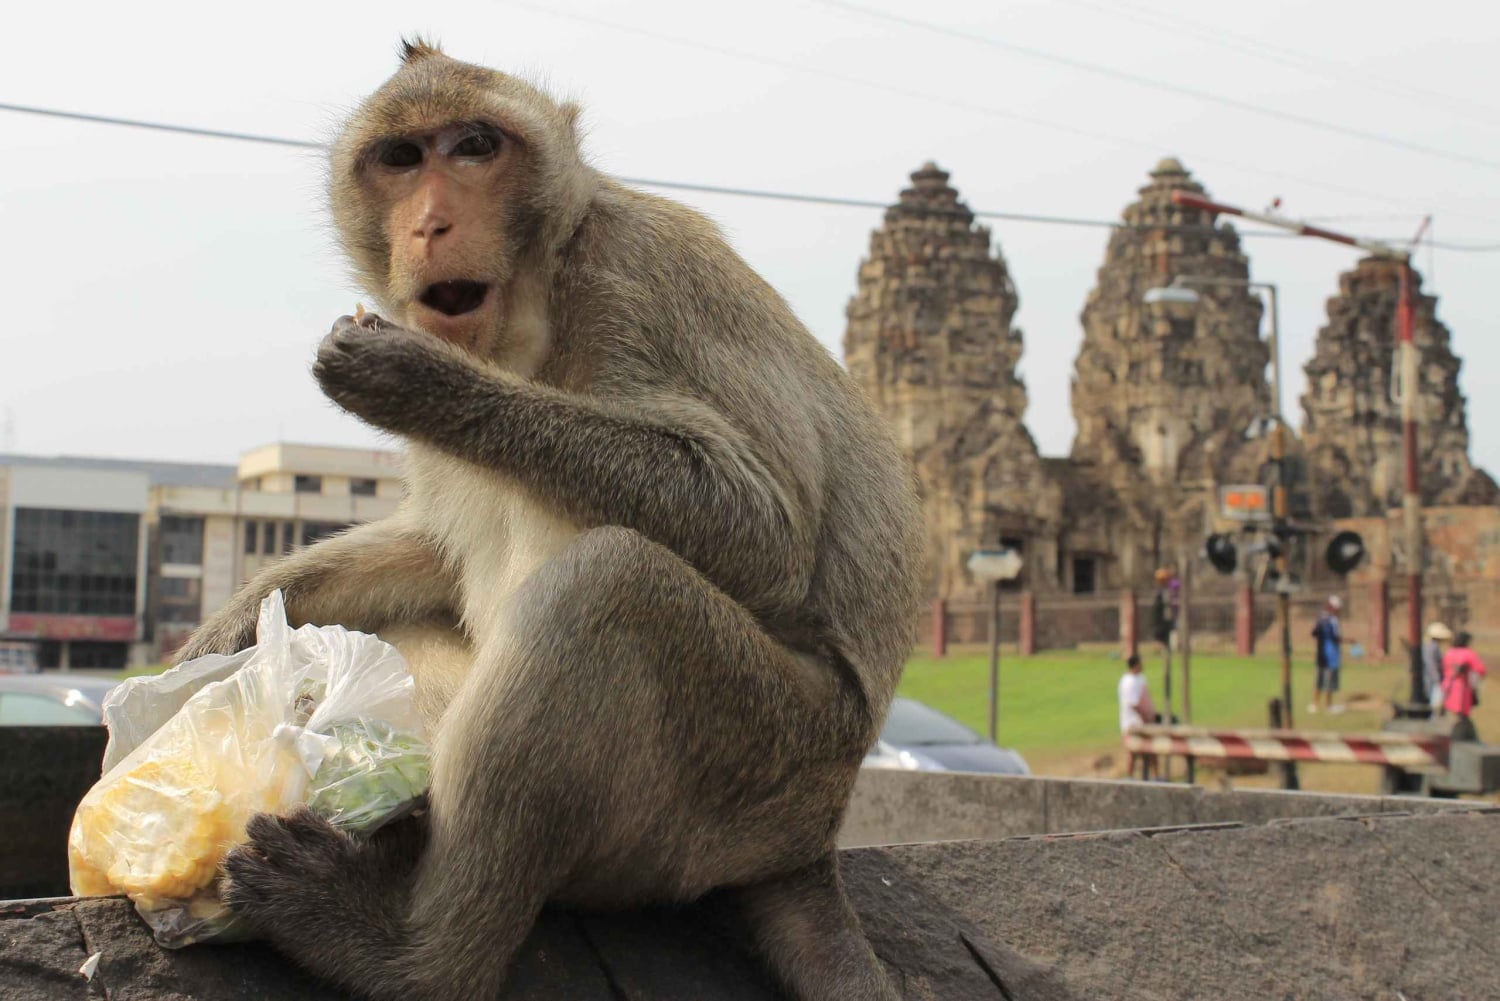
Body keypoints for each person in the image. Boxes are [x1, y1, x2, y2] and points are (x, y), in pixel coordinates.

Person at [1439, 630, 1487, 742]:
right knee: (1462, 716)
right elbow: (1481, 670)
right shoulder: (1468, 653)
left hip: (1447, 687)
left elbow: (1443, 668)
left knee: (1450, 714)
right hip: (1461, 689)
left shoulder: (1449, 652)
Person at [1118, 653, 1158, 779]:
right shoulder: (1129, 682)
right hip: (1133, 722)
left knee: (1151, 749)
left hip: (1143, 720)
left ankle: (1155, 776)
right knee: (1133, 750)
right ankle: (1130, 775)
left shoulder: (1140, 678)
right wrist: (1145, 716)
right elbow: (1132, 704)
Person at [1310, 595, 1344, 714]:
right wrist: (1349, 641)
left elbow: (1313, 633)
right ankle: (1328, 706)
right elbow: (1335, 638)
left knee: (1319, 680)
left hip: (1320, 654)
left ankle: (1314, 704)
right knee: (1329, 681)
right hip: (1331, 656)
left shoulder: (1321, 618)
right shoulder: (1332, 620)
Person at [1423, 622, 1453, 710]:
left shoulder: (1429, 646)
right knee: (1435, 702)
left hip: (1430, 677)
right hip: (1432, 678)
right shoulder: (1433, 647)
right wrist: (1437, 679)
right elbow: (1431, 664)